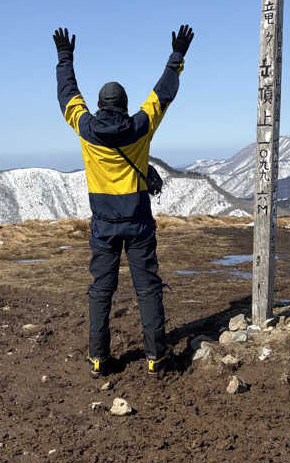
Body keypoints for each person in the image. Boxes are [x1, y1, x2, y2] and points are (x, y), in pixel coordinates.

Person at [53, 24, 195, 380]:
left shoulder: (85, 127)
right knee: (147, 289)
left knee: (101, 291)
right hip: (139, 225)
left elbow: (67, 95)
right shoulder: (141, 126)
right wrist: (177, 56)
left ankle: (99, 360)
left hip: (103, 226)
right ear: (126, 105)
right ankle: (155, 359)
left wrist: (64, 58)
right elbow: (163, 93)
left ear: (99, 105)